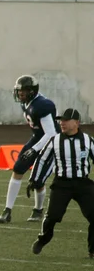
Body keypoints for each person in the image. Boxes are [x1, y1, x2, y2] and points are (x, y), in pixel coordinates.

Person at [28, 108, 94, 258]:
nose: (61, 123)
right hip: (61, 184)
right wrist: (34, 179)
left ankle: (92, 250)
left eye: (65, 120)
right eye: (61, 120)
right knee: (52, 216)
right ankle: (43, 239)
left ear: (76, 122)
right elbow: (42, 159)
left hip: (83, 183)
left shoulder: (88, 140)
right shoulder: (55, 140)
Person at [0, 75, 59, 224]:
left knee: (38, 180)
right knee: (18, 168)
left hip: (51, 142)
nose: (20, 94)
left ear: (32, 91)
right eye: (19, 91)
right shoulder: (26, 103)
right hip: (38, 137)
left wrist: (35, 149)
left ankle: (38, 209)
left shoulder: (42, 105)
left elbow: (51, 133)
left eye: (23, 91)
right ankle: (7, 211)